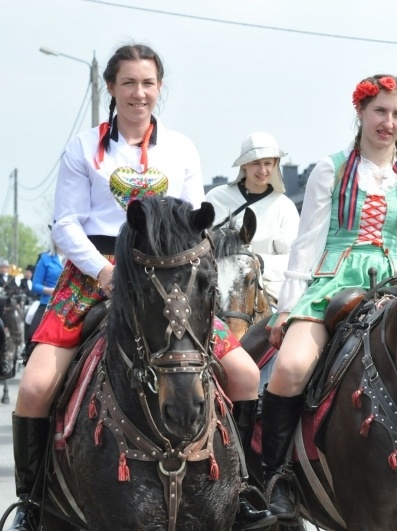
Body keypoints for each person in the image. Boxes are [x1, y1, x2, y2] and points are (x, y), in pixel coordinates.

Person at [10, 44, 272, 531]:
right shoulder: (83, 148)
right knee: (35, 386)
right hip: (96, 272)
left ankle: (246, 493)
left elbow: (194, 225)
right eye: (128, 82)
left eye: (148, 83)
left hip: (168, 278)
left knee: (245, 376)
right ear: (111, 87)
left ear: (159, 89)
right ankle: (32, 502)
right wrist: (105, 271)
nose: (139, 92)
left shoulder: (181, 148)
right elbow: (65, 224)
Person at [260, 74, 397, 521]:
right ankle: (274, 477)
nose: (387, 122)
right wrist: (285, 308)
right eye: (380, 111)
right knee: (292, 368)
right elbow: (307, 240)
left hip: (395, 285)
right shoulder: (331, 168)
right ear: (360, 112)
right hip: (333, 281)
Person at [205, 132, 300, 302]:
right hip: (217, 288)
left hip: (265, 290)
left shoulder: (285, 207)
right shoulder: (216, 198)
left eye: (268, 163)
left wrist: (258, 262)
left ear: (276, 164)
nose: (262, 170)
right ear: (244, 165)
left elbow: (295, 259)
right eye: (255, 163)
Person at [24, 239, 63, 349]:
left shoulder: (75, 257)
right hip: (48, 301)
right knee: (31, 321)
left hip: (71, 302)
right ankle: (27, 349)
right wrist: (49, 290)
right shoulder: (45, 259)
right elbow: (36, 285)